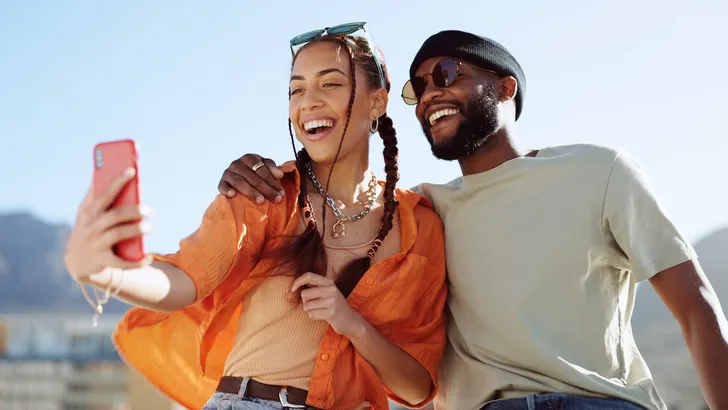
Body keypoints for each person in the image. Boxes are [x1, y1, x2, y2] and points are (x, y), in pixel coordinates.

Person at [217, 30, 728, 410]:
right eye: (417, 89)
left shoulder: (598, 170)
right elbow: (333, 200)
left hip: (599, 403)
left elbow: (697, 309)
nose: (429, 95)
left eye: (446, 75)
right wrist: (255, 169)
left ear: (505, 87)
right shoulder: (421, 212)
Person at [64, 23, 448, 410]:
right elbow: (184, 279)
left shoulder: (420, 228)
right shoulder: (263, 195)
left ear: (377, 103)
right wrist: (106, 271)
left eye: (329, 84)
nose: (308, 102)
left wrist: (352, 324)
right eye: (296, 89)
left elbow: (417, 387)